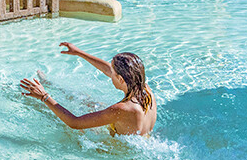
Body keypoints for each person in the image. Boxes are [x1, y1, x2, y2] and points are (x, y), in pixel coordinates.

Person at [19, 42, 155, 136]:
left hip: (117, 153)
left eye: (113, 73)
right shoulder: (146, 90)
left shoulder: (122, 109)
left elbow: (74, 122)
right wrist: (79, 53)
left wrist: (44, 97)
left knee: (56, 120)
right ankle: (50, 84)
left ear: (121, 79)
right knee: (86, 101)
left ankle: (41, 91)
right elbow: (107, 69)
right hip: (139, 136)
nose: (110, 74)